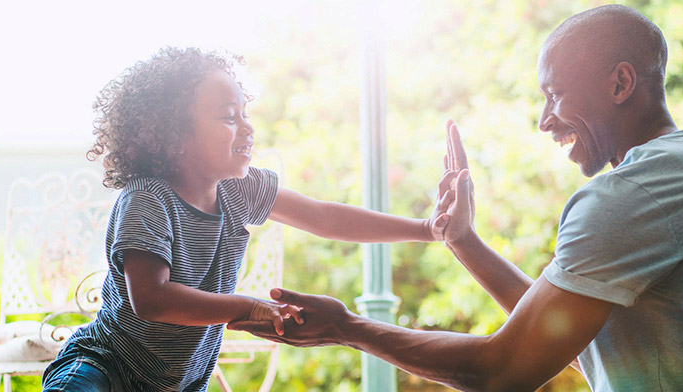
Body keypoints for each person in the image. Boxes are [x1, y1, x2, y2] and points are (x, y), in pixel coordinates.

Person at [231, 4, 683, 391]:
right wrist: (463, 243)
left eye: (555, 95)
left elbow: (503, 370)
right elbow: (556, 332)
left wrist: (349, 328)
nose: (544, 121)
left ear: (620, 83)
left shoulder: (634, 193)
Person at [42, 47, 457, 391]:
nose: (247, 128)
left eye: (245, 113)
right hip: (105, 369)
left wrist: (426, 229)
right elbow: (151, 299)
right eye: (228, 116)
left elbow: (325, 217)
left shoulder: (239, 191)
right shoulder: (148, 200)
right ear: (174, 134)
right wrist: (248, 306)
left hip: (179, 383)